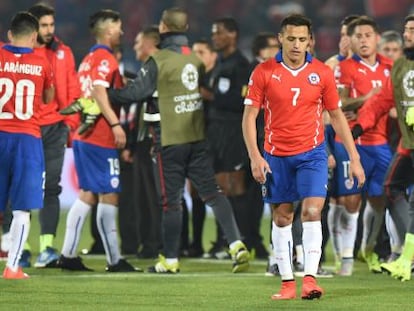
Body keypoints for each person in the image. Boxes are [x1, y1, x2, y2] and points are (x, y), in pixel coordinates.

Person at [107, 7, 249, 273]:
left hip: (169, 141)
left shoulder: (158, 60)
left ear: (163, 28)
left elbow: (134, 94)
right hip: (197, 138)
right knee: (213, 193)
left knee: (170, 201)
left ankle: (170, 260)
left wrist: (105, 92)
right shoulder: (195, 59)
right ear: (184, 29)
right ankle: (236, 244)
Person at [242, 14, 365, 300]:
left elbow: (336, 116)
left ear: (310, 40)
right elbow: (249, 117)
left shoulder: (321, 73)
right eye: (291, 39)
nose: (297, 45)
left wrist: (354, 157)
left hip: (312, 154)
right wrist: (255, 156)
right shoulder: (263, 72)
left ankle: (309, 279)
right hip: (276, 156)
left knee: (312, 211)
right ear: (280, 39)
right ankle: (287, 283)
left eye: (302, 39)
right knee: (283, 217)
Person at [57, 9, 140, 272]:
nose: (122, 32)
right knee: (108, 194)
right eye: (118, 28)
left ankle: (69, 254)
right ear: (107, 31)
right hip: (99, 137)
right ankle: (114, 260)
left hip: (84, 136)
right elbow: (98, 90)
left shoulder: (88, 58)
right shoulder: (105, 58)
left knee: (89, 194)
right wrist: (115, 124)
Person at [351, 14, 414, 281]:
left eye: (412, 30)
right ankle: (408, 257)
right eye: (406, 28)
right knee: (391, 188)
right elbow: (380, 102)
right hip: (409, 145)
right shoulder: (400, 66)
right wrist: (358, 127)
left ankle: (406, 258)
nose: (406, 34)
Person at [333, 16, 393, 275]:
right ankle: (343, 257)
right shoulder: (344, 67)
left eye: (368, 35)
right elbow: (338, 104)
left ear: (377, 38)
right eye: (359, 36)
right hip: (352, 141)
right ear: (353, 40)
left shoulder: (391, 66)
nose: (364, 40)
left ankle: (367, 248)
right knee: (350, 199)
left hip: (381, 143)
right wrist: (368, 99)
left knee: (380, 199)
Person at [0, 11, 54, 279]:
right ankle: (12, 268)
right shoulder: (42, 61)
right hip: (27, 140)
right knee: (22, 208)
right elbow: (48, 96)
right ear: (34, 37)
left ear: (10, 34)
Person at [206, 17, 252, 259]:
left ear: (233, 34)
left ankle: (242, 239)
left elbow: (241, 101)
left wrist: (210, 96)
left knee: (235, 186)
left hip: (233, 132)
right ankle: (224, 240)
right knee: (220, 187)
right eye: (214, 33)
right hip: (216, 132)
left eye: (219, 32)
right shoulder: (219, 63)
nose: (215, 37)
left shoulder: (241, 65)